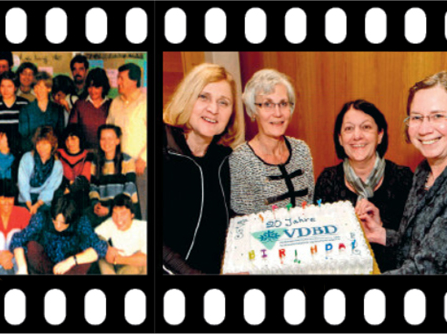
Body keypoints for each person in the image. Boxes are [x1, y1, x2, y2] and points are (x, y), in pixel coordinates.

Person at [356, 71, 447, 275]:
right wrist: (381, 234)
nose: (425, 128)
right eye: (417, 117)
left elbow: (423, 270)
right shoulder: (423, 170)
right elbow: (416, 244)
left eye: (438, 116)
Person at [161, 63, 244, 274]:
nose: (213, 109)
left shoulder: (223, 160)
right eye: (204, 97)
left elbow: (225, 223)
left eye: (223, 102)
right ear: (187, 98)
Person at [314, 99, 413, 272]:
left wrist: (381, 229)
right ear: (340, 138)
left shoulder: (404, 179)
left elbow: (415, 245)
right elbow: (320, 245)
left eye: (366, 127)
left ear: (380, 135)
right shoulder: (327, 180)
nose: (357, 135)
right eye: (348, 128)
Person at [230, 69, 313, 215]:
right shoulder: (241, 160)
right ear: (253, 110)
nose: (278, 113)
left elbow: (311, 207)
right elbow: (243, 223)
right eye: (267, 104)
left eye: (283, 104)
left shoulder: (302, 150)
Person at [10, 194, 108, 275]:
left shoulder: (81, 221)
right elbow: (18, 239)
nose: (58, 226)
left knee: (87, 257)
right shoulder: (42, 216)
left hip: (69, 267)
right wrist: (22, 268)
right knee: (31, 246)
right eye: (55, 221)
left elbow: (101, 247)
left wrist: (70, 261)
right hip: (45, 263)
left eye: (62, 223)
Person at [106, 63, 147, 219]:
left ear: (134, 81)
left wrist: (144, 158)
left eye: (122, 79)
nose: (118, 83)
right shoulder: (115, 103)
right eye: (118, 78)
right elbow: (109, 131)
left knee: (143, 207)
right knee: (121, 209)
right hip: (118, 165)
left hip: (140, 166)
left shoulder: (145, 103)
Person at [88, 125, 138, 228]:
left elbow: (130, 188)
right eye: (103, 139)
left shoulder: (127, 160)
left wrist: (110, 209)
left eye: (110, 138)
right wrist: (95, 204)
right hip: (102, 208)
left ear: (117, 141)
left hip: (124, 209)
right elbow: (93, 187)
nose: (106, 142)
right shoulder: (96, 162)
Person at [95, 194, 147, 275]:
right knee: (101, 257)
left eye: (123, 214)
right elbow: (94, 235)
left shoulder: (143, 227)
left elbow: (145, 260)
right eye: (115, 213)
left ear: (132, 214)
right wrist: (106, 246)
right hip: (120, 266)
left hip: (138, 265)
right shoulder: (111, 223)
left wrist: (116, 259)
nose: (118, 219)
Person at [17, 126, 64, 215]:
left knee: (39, 220)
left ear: (52, 145)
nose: (41, 148)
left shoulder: (57, 165)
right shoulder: (27, 158)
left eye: (45, 144)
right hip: (25, 199)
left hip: (44, 201)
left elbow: (50, 189)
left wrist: (36, 205)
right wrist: (29, 204)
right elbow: (23, 185)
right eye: (38, 143)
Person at [19, 71, 65, 153]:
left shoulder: (57, 109)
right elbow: (24, 134)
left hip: (52, 152)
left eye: (41, 87)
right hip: (32, 151)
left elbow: (60, 134)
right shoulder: (26, 109)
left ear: (49, 88)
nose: (38, 90)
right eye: (36, 87)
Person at [69, 68, 112, 149]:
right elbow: (72, 130)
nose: (92, 91)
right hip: (84, 152)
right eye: (90, 87)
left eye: (96, 87)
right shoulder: (80, 104)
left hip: (106, 150)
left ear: (103, 87)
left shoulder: (111, 104)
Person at [0, 71, 29, 155]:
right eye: (2, 86)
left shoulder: (24, 104)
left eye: (9, 86)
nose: (5, 90)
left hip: (20, 150)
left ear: (15, 88)